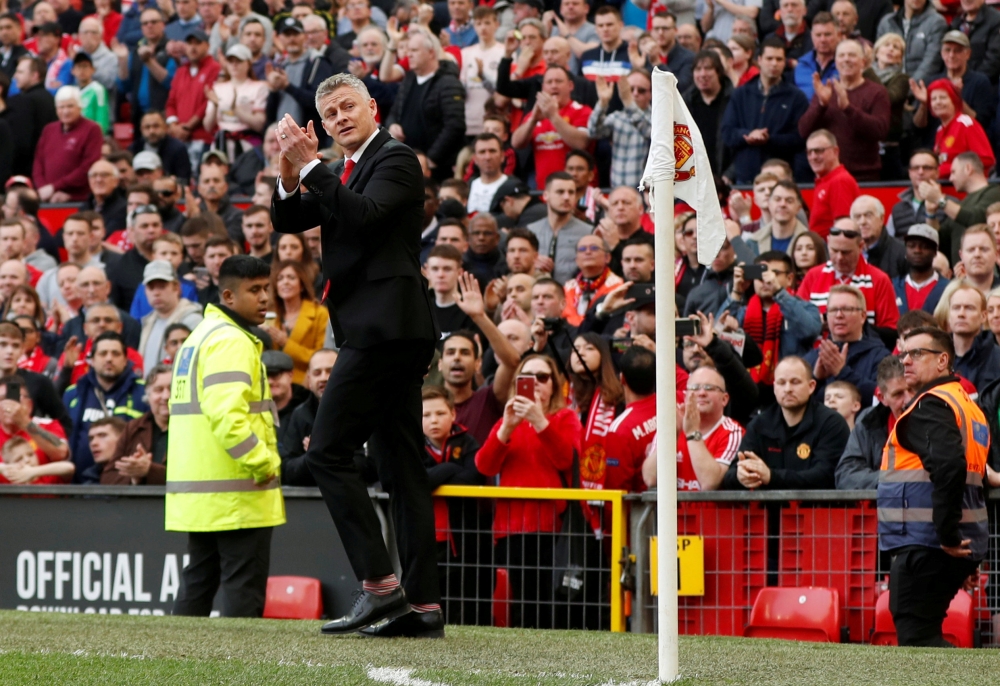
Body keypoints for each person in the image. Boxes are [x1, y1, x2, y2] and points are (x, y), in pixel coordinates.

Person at [272, 73, 444, 637]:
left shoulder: (395, 158)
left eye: (350, 107)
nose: (342, 117)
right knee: (400, 468)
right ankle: (421, 607)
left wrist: (315, 166)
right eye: (330, 113)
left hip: (385, 328)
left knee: (326, 451)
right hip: (381, 328)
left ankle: (379, 587)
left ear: (372, 108)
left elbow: (365, 216)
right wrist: (290, 168)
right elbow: (290, 219)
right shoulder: (340, 171)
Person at [167, 255, 285, 618]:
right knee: (242, 594)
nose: (264, 297)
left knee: (198, 585)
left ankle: (176, 666)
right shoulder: (232, 341)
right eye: (254, 290)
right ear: (229, 297)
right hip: (237, 492)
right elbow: (227, 416)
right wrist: (262, 463)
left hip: (203, 495)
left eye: (266, 288)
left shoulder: (200, 336)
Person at [879, 325, 987, 647]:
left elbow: (950, 466)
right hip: (949, 544)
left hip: (928, 543)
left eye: (917, 354)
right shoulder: (967, 406)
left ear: (942, 361)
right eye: (904, 354)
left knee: (916, 637)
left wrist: (948, 536)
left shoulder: (931, 405)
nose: (906, 362)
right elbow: (970, 467)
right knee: (923, 636)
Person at [475, 353, 580, 629]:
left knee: (550, 601)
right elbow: (484, 466)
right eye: (527, 377)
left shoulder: (565, 417)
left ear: (553, 385)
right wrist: (508, 426)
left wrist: (539, 421)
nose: (534, 383)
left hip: (552, 528)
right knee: (522, 602)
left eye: (542, 377)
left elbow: (566, 460)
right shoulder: (506, 421)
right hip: (512, 529)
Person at [722, 356, 850, 490]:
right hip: (769, 510)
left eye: (795, 382)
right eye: (782, 383)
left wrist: (771, 476)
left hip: (816, 510)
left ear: (811, 386)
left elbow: (826, 476)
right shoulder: (759, 424)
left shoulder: (832, 423)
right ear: (774, 387)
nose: (788, 389)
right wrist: (741, 476)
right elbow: (730, 476)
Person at [721, 250, 822, 384]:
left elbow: (810, 330)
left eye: (774, 273)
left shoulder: (805, 308)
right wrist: (736, 291)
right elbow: (717, 337)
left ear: (790, 279)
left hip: (789, 386)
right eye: (760, 274)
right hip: (749, 388)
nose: (766, 279)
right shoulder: (742, 312)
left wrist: (779, 293)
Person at [798, 39, 890, 182]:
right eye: (841, 55)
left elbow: (880, 131)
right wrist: (821, 105)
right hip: (828, 175)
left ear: (863, 62)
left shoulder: (877, 92)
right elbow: (804, 130)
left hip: (864, 176)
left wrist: (848, 108)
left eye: (852, 55)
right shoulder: (825, 90)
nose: (846, 59)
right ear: (835, 61)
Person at [720, 38, 808, 186]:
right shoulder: (741, 94)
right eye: (769, 58)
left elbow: (799, 138)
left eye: (779, 59)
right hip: (745, 177)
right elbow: (727, 132)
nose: (774, 63)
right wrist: (747, 136)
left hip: (780, 179)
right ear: (759, 60)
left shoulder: (796, 98)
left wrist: (770, 139)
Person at [63, 331, 148, 480]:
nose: (109, 359)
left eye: (115, 354)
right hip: (79, 485)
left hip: (127, 484)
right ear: (92, 360)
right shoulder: (73, 394)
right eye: (103, 354)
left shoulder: (143, 393)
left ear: (125, 360)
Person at [385, 29, 466, 180]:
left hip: (437, 168)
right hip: (407, 162)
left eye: (414, 50)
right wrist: (392, 125)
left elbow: (455, 125)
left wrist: (431, 159)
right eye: (408, 50)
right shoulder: (409, 80)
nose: (408, 54)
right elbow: (394, 113)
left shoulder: (448, 83)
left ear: (431, 53)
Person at [797, 216, 899, 331]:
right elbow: (797, 323)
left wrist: (852, 326)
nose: (840, 258)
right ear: (828, 242)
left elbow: (891, 331)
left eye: (846, 252)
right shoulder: (813, 276)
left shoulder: (879, 280)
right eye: (834, 251)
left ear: (861, 246)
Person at [512, 66, 592, 189]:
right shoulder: (535, 115)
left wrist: (553, 116)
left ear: (570, 86)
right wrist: (533, 119)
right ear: (543, 88)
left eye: (559, 81)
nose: (554, 86)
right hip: (544, 190)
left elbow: (580, 143)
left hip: (576, 190)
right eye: (549, 82)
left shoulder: (583, 111)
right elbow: (516, 143)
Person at [672, 365, 744, 492]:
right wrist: (671, 436)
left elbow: (710, 483)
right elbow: (650, 478)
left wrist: (692, 433)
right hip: (677, 512)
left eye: (709, 388)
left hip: (715, 512)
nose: (701, 393)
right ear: (685, 396)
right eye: (694, 388)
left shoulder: (733, 432)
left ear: (724, 399)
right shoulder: (674, 424)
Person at [920, 151, 1000, 264]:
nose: (951, 178)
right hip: (960, 276)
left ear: (968, 168)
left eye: (953, 172)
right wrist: (930, 214)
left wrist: (940, 200)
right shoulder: (961, 204)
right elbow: (938, 241)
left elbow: (975, 219)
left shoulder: (994, 192)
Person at [99, 362, 171, 485]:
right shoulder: (133, 428)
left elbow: (194, 477)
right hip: (139, 504)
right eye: (158, 390)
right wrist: (134, 477)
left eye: (172, 389)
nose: (166, 396)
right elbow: (108, 478)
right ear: (148, 396)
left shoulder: (195, 428)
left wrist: (150, 470)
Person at [262, 260, 330, 385]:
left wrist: (286, 343)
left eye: (291, 277)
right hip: (273, 383)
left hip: (305, 383)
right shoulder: (270, 316)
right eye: (280, 278)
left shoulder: (320, 314)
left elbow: (323, 357)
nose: (285, 282)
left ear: (302, 285)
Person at [32, 86, 104, 202]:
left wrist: (55, 187)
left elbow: (89, 166)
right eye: (61, 107)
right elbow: (38, 162)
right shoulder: (48, 129)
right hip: (47, 196)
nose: (65, 111)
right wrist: (42, 187)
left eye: (70, 106)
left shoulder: (92, 129)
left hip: (77, 198)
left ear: (80, 107)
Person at [279, 347, 338, 485]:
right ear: (309, 380)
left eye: (330, 371)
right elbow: (287, 470)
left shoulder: (363, 411)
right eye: (317, 373)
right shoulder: (300, 414)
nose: (324, 377)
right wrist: (314, 456)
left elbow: (371, 466)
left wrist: (328, 453)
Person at [588, 69, 652, 190]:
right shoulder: (618, 117)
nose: (635, 94)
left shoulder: (657, 117)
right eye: (630, 90)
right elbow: (593, 131)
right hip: (617, 192)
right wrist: (602, 103)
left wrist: (629, 103)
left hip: (645, 194)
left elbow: (649, 131)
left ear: (651, 94)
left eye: (641, 90)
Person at [114, 7, 177, 130]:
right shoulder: (135, 52)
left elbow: (171, 82)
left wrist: (149, 62)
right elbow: (124, 86)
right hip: (139, 116)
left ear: (162, 24)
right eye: (145, 23)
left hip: (163, 115)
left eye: (153, 22)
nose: (149, 26)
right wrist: (122, 61)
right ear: (141, 28)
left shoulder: (171, 49)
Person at [526, 172, 594, 284]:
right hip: (537, 296)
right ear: (545, 196)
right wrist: (531, 262)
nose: (567, 197)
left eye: (571, 192)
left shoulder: (588, 233)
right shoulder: (531, 231)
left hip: (573, 296)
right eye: (560, 192)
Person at [923, 79, 994, 179]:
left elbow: (986, 159)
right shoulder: (939, 130)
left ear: (954, 100)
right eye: (933, 99)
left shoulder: (967, 124)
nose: (938, 102)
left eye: (943, 97)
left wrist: (945, 170)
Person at [138, 260, 204, 367]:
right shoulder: (148, 322)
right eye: (151, 287)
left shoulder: (193, 320)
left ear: (176, 287)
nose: (156, 293)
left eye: (162, 286)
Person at [939, 281, 1000, 392]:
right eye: (956, 308)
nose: (961, 314)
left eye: (969, 308)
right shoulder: (935, 357)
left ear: (983, 316)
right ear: (948, 315)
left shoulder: (997, 358)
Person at [6, 56, 57, 177]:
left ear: (35, 75)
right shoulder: (49, 98)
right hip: (46, 168)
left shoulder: (25, 101)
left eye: (20, 72)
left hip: (25, 172)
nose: (15, 76)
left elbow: (21, 143)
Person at [805, 129, 861, 239]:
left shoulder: (839, 181)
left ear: (836, 151)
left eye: (819, 151)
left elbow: (843, 230)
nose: (813, 157)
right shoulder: (827, 180)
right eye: (809, 152)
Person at [682, 51, 730, 178]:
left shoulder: (734, 101)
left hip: (724, 178)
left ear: (719, 72)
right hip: (694, 178)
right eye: (698, 69)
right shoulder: (685, 102)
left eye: (708, 68)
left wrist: (730, 175)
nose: (703, 74)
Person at [877, 0, 946, 86]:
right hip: (887, 88)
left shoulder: (937, 22)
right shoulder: (887, 22)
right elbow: (876, 59)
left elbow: (931, 63)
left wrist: (908, 89)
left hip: (920, 90)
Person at [562, 235, 623, 327]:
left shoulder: (618, 286)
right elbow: (566, 316)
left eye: (594, 248)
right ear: (576, 260)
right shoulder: (568, 287)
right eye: (582, 249)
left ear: (607, 258)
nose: (588, 252)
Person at [894, 223, 950, 315]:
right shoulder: (893, 287)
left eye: (924, 247)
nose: (917, 250)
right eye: (912, 246)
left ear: (935, 251)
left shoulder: (948, 288)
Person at [743, 180, 807, 256]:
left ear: (798, 208)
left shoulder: (814, 243)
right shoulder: (752, 243)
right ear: (769, 204)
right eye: (777, 199)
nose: (783, 204)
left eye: (789, 201)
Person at [887, 150, 939, 238]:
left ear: (937, 173)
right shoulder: (897, 209)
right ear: (909, 173)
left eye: (926, 168)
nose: (921, 172)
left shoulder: (949, 206)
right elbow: (889, 241)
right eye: (916, 168)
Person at [853, 195, 906, 279]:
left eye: (868, 215)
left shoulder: (902, 253)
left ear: (881, 219)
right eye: (857, 217)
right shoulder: (846, 253)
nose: (862, 222)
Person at [948, 0, 1000, 82]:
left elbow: (994, 59)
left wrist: (969, 81)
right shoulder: (956, 22)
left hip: (984, 84)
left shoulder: (996, 20)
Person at [793, 13, 839, 101]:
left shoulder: (845, 63)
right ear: (812, 36)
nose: (823, 40)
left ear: (838, 35)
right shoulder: (801, 65)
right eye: (818, 35)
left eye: (827, 34)